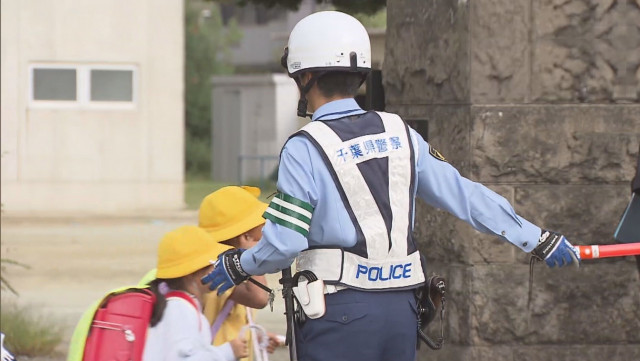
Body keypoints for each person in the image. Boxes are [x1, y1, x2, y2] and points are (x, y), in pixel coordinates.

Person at [201, 11, 581, 361]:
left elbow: (285, 244)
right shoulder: (401, 132)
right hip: (402, 311)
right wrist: (537, 238)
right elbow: (465, 195)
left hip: (338, 314)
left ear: (305, 77)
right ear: (361, 73)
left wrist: (238, 264)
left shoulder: (305, 147)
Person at [198, 186, 284, 360]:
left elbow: (233, 317)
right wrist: (252, 258)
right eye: (262, 236)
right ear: (245, 237)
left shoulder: (235, 270)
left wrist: (257, 335)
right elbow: (260, 298)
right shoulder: (214, 269)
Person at [143, 225, 248, 361]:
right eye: (214, 263)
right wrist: (227, 351)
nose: (218, 269)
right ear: (191, 273)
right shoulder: (180, 309)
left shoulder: (175, 305)